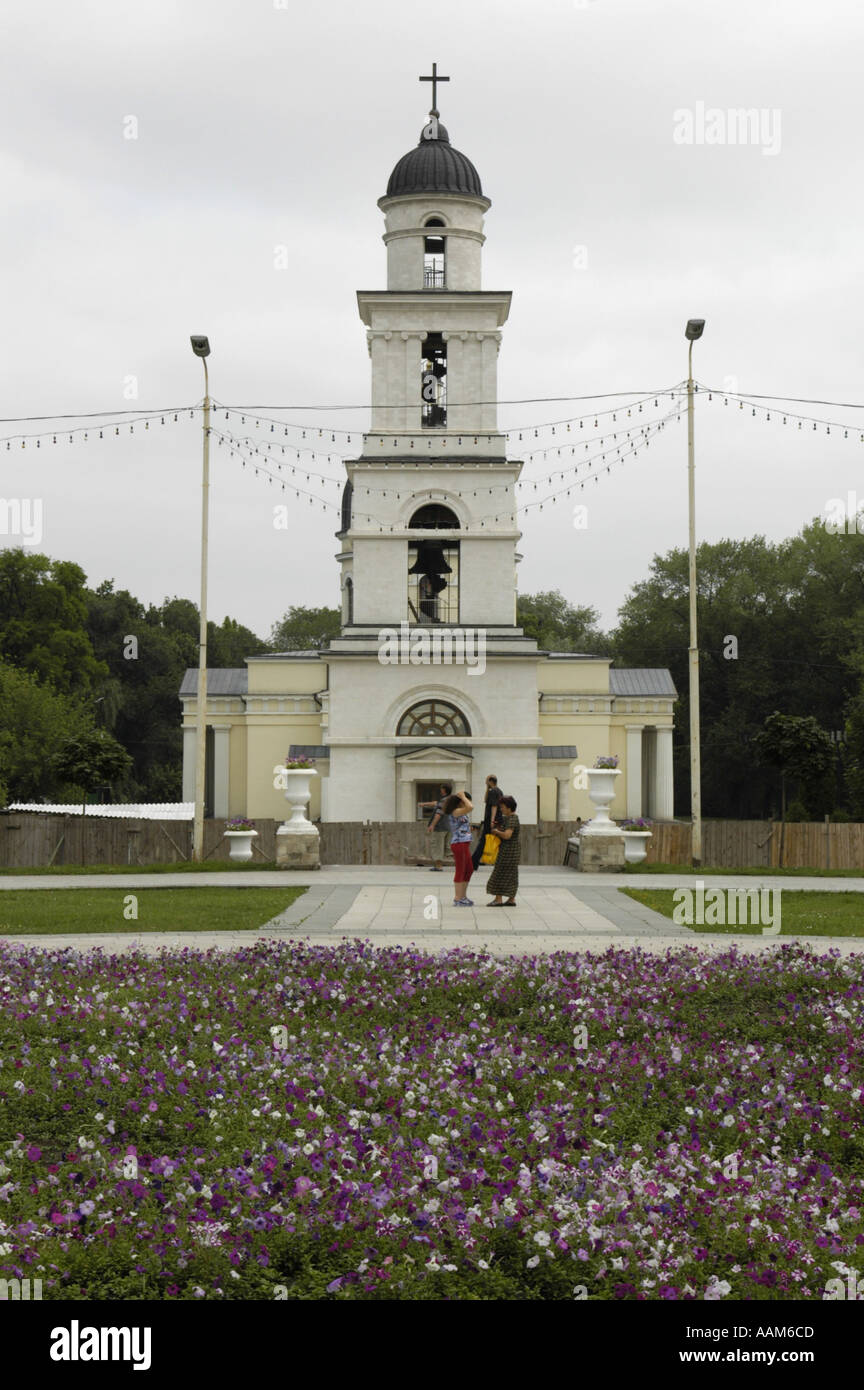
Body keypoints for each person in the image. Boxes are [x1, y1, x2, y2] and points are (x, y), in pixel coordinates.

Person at [440, 790, 474, 905]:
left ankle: (463, 896)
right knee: (461, 870)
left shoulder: (460, 812)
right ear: (460, 802)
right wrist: (463, 797)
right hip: (459, 844)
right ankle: (458, 898)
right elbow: (470, 807)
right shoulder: (455, 811)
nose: (468, 802)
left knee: (469, 869)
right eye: (466, 801)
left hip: (464, 843)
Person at [486, 795, 520, 906]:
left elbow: (507, 835)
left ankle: (498, 899)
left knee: (499, 873)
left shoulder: (512, 818)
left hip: (508, 851)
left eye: (503, 807)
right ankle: (511, 899)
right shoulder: (510, 818)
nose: (501, 809)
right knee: (511, 875)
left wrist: (496, 832)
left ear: (509, 808)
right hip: (513, 850)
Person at [471, 774, 503, 871]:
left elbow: (494, 806)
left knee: (484, 841)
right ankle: (474, 862)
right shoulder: (498, 791)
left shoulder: (493, 791)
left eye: (486, 780)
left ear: (490, 781)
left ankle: (473, 863)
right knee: (492, 841)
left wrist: (492, 821)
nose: (485, 782)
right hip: (496, 820)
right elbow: (490, 803)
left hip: (491, 821)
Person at [420, 783, 453, 870]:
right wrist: (424, 804)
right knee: (447, 848)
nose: (440, 790)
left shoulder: (444, 800)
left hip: (440, 827)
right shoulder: (450, 799)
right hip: (448, 826)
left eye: (441, 789)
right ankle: (462, 865)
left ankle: (438, 866)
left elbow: (439, 814)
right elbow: (435, 803)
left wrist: (432, 825)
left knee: (437, 846)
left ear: (444, 790)